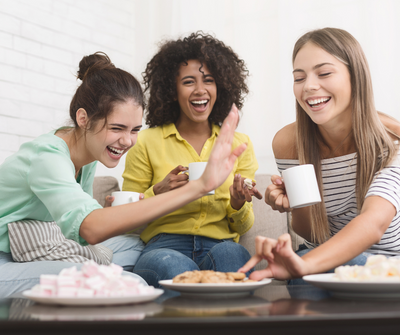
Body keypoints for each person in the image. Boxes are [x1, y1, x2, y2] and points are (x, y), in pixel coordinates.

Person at [0, 52, 247, 297]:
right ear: (83, 118)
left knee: (135, 245)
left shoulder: (85, 153)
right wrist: (199, 186)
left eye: (135, 130)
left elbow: (76, 226)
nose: (128, 141)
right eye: (117, 128)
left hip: (38, 244)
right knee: (131, 283)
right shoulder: (48, 156)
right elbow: (90, 230)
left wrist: (105, 215)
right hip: (5, 257)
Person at [239, 28, 400, 283]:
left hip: (387, 265)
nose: (310, 86)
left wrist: (301, 266)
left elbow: (374, 223)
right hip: (323, 260)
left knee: (343, 266)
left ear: (355, 77)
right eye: (299, 78)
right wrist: (295, 204)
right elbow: (311, 232)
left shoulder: (392, 139)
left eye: (324, 73)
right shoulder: (289, 143)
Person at [122, 32, 262, 287]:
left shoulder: (239, 144)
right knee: (171, 266)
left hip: (221, 243)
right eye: (188, 82)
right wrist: (157, 192)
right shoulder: (145, 141)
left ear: (220, 86)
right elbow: (125, 217)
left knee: (234, 258)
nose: (200, 90)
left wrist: (238, 202)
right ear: (172, 90)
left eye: (208, 80)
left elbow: (243, 227)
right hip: (164, 244)